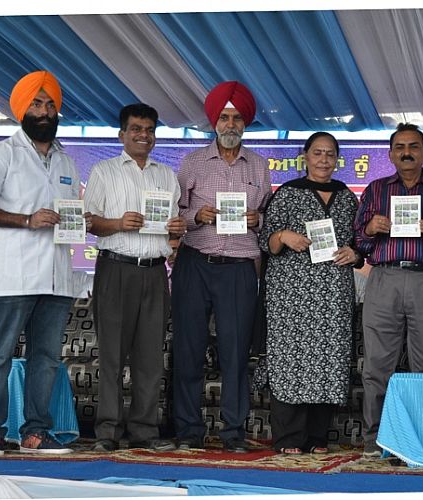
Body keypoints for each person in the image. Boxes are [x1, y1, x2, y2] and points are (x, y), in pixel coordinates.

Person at [354, 123, 423, 456]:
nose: (407, 152)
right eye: (400, 147)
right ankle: (375, 438)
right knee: (377, 364)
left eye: (414, 146)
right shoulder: (375, 191)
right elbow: (358, 242)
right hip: (384, 279)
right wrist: (371, 228)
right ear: (390, 154)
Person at [172, 81, 272, 453]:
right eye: (225, 118)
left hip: (239, 269)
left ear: (245, 125)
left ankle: (233, 433)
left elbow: (268, 214)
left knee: (235, 353)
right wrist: (196, 215)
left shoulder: (259, 166)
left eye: (238, 119)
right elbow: (174, 213)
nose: (231, 125)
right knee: (189, 349)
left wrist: (256, 220)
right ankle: (188, 431)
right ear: (214, 122)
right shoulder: (193, 162)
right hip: (195, 263)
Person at [0, 71, 77, 455]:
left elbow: (70, 214)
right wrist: (25, 220)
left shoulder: (66, 160)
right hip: (14, 276)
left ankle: (37, 431)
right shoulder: (2, 154)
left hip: (57, 277)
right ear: (22, 109)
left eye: (50, 104)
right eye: (36, 104)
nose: (44, 111)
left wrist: (78, 221)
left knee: (47, 359)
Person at [83, 103, 185, 453]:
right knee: (112, 355)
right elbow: (87, 220)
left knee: (149, 358)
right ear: (122, 134)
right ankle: (107, 433)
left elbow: (173, 229)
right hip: (116, 268)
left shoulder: (166, 175)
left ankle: (144, 431)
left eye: (149, 130)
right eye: (136, 129)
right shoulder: (103, 170)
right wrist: (117, 223)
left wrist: (177, 230)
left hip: (155, 273)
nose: (144, 135)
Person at [255, 132, 361, 455]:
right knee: (291, 360)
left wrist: (354, 254)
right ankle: (288, 439)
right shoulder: (287, 193)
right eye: (318, 153)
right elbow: (265, 242)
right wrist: (284, 235)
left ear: (337, 159)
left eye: (330, 154)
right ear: (305, 156)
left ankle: (317, 437)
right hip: (291, 296)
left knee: (329, 360)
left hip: (333, 296)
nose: (324, 160)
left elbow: (361, 243)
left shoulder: (347, 197)